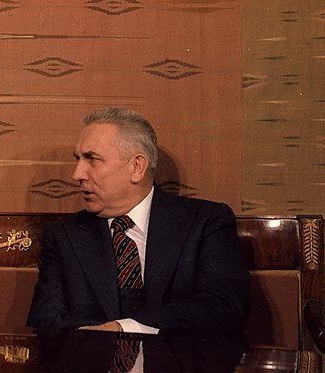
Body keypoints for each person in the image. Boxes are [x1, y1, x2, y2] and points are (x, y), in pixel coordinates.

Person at [27, 107, 250, 335]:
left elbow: (224, 307)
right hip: (94, 367)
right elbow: (46, 323)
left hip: (181, 367)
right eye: (78, 160)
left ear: (136, 167)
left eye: (92, 159)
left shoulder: (206, 223)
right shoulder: (64, 236)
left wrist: (125, 327)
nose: (77, 174)